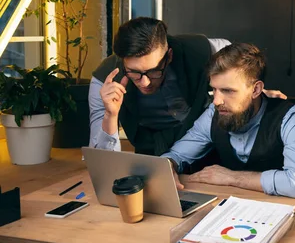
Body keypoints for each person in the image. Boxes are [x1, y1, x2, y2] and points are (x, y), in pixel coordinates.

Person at [89, 17, 283, 157]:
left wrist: (249, 93)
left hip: (205, 141)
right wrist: (110, 115)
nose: (145, 82)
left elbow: (237, 66)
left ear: (169, 56)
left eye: (154, 71)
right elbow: (101, 159)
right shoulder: (104, 81)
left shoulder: (201, 49)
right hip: (150, 150)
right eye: (134, 73)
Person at [160, 42, 295, 199]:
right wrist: (169, 165)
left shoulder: (291, 117)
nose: (217, 101)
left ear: (256, 90)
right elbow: (176, 155)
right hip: (230, 210)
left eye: (227, 91)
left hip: (283, 211)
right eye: (214, 89)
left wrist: (231, 177)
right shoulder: (213, 112)